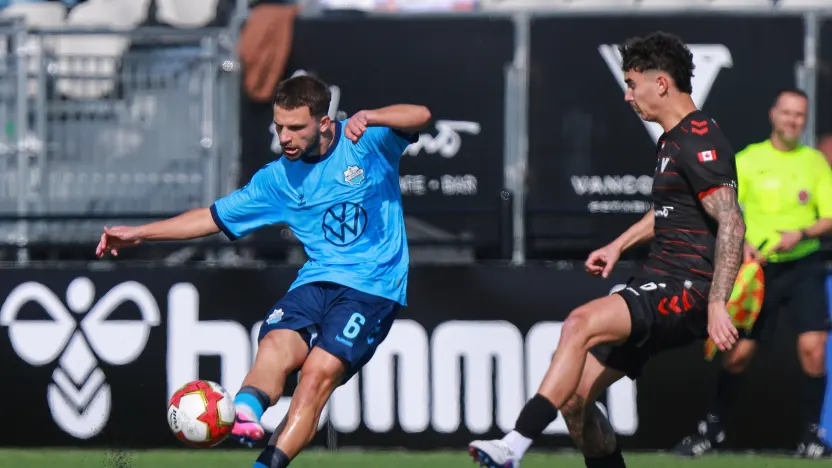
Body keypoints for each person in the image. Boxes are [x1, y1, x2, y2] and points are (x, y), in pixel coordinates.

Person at [94, 75, 431, 468]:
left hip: (372, 287)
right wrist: (139, 234)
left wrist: (370, 116)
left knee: (316, 376)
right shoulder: (276, 180)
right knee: (274, 346)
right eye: (279, 127)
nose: (284, 137)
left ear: (324, 123)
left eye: (295, 127)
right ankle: (244, 413)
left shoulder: (367, 142)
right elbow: (210, 218)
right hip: (316, 281)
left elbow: (421, 115)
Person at [468, 31, 745, 468]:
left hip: (684, 287)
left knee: (580, 322)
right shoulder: (672, 140)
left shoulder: (698, 137)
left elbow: (731, 219)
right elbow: (672, 211)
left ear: (660, 84)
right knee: (576, 401)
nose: (627, 96)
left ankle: (514, 445)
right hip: (657, 279)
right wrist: (618, 244)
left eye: (632, 83)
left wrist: (716, 303)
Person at [673, 89, 832, 459]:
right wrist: (740, 242)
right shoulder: (748, 159)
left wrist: (801, 233)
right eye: (787, 113)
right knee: (739, 352)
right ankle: (711, 429)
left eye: (800, 115)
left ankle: (812, 436)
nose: (793, 120)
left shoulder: (815, 164)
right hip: (758, 271)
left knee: (814, 348)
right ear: (773, 114)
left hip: (803, 266)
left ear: (804, 120)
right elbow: (724, 209)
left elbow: (828, 217)